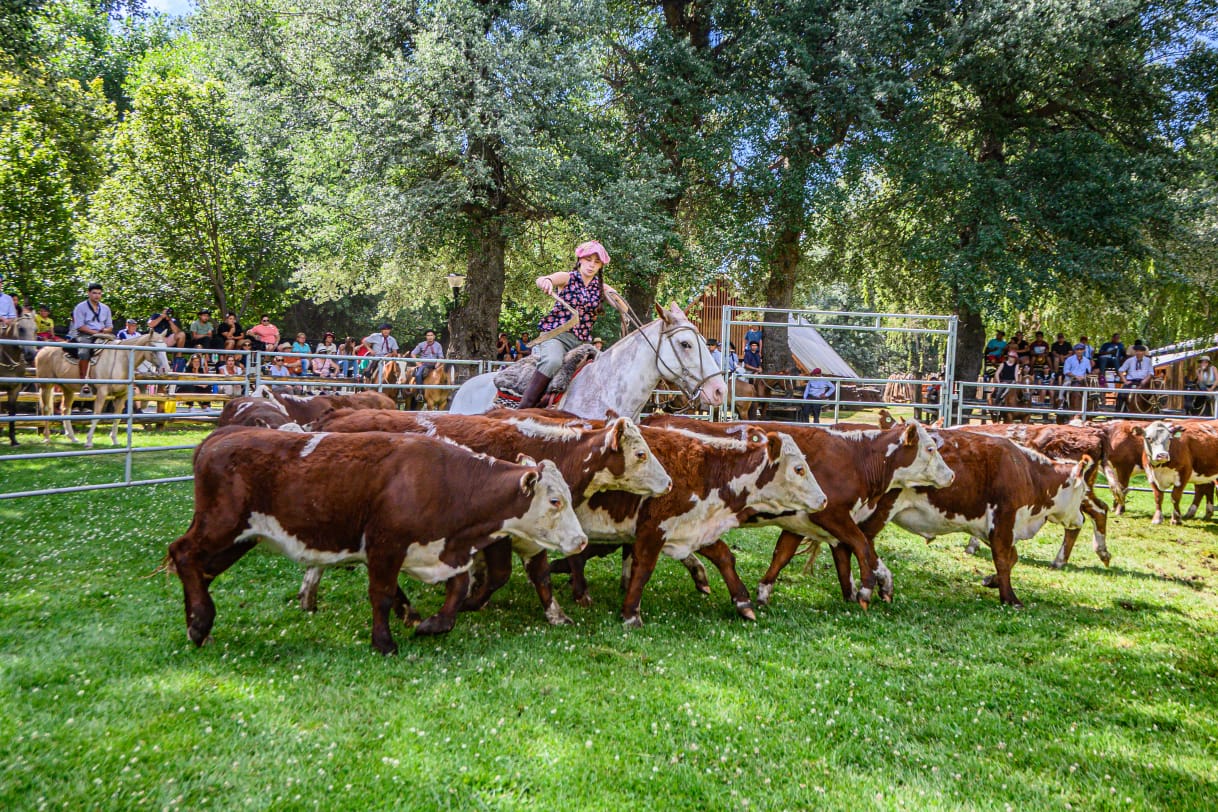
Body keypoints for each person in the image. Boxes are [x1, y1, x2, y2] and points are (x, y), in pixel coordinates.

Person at [518, 240, 626, 409]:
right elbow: (542, 279)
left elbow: (624, 308)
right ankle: (525, 407)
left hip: (582, 343)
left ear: (600, 266)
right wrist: (546, 281)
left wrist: (614, 295)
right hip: (557, 337)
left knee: (603, 367)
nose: (592, 265)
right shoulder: (567, 277)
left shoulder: (601, 288)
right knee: (553, 361)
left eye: (597, 262)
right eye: (588, 260)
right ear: (580, 260)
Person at [67, 283, 114, 386]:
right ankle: (84, 381)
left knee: (118, 347)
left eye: (99, 293)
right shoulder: (80, 307)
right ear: (88, 293)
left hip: (103, 334)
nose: (97, 295)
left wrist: (105, 330)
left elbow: (110, 326)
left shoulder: (105, 308)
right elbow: (80, 326)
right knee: (84, 352)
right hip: (85, 335)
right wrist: (96, 333)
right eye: (94, 293)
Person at [1116, 342, 1153, 411]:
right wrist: (1125, 381)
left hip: (1143, 382)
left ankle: (1156, 410)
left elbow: (1151, 373)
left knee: (1153, 395)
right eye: (1137, 351)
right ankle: (1119, 412)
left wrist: (1145, 381)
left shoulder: (1148, 361)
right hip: (1131, 382)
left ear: (1143, 352)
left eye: (1140, 351)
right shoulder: (1129, 360)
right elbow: (1120, 370)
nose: (1138, 353)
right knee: (1121, 394)